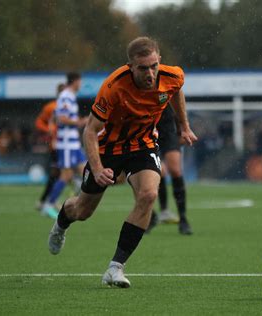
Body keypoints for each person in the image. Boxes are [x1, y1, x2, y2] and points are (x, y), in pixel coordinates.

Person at [47, 37, 197, 288]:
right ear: (130, 66)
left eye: (153, 66)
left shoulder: (173, 76)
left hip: (144, 144)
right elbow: (90, 131)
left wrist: (184, 126)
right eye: (142, 68)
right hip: (108, 149)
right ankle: (62, 222)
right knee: (83, 211)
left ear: (159, 60)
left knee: (149, 194)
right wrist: (96, 168)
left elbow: (176, 91)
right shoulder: (113, 86)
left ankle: (115, 268)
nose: (150, 73)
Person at [42, 73, 87, 218]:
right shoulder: (66, 96)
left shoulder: (70, 96)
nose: (81, 84)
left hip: (73, 141)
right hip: (67, 142)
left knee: (85, 172)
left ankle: (78, 201)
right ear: (75, 81)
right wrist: (79, 122)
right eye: (80, 81)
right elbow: (61, 118)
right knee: (66, 175)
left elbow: (57, 116)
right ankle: (49, 204)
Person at [148, 104, 193, 235]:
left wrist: (183, 130)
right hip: (147, 132)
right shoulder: (141, 86)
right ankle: (159, 213)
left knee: (175, 170)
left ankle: (183, 219)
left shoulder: (167, 86)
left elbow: (178, 105)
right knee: (159, 171)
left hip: (168, 131)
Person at [35, 83, 65, 214]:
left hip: (65, 145)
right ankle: (46, 202)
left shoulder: (67, 106)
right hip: (56, 145)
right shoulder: (51, 107)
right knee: (58, 173)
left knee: (59, 174)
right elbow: (39, 122)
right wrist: (49, 130)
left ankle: (48, 200)